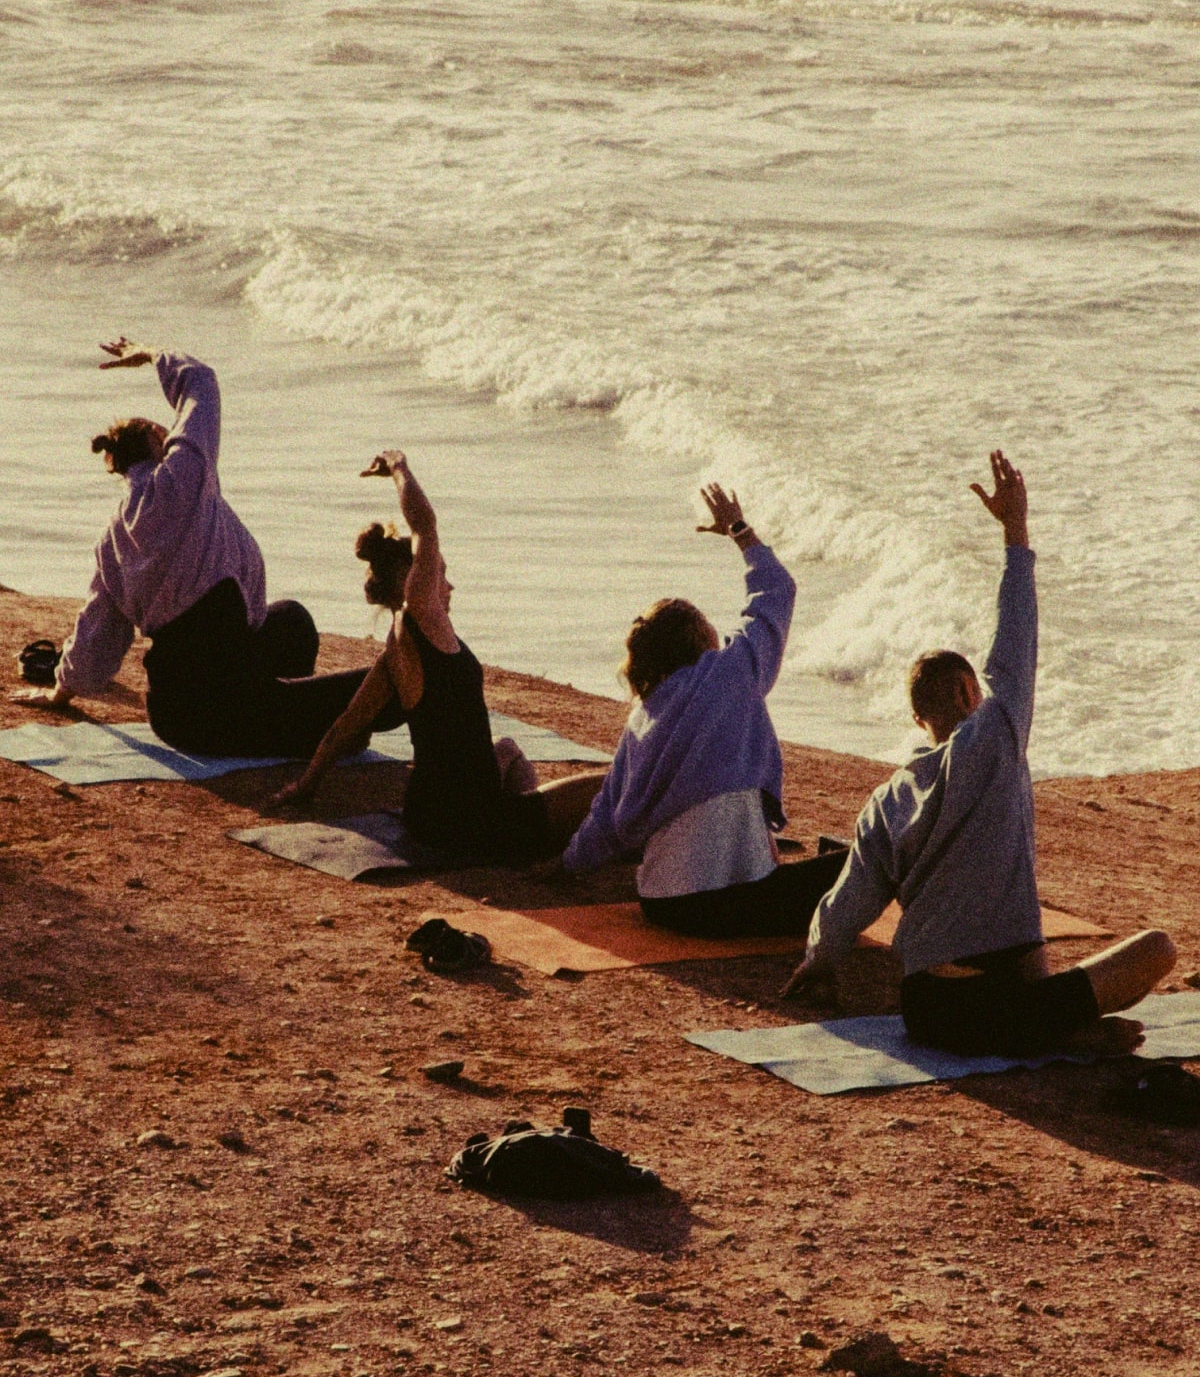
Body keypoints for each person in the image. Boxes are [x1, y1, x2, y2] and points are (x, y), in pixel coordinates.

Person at [784, 452, 1176, 1057]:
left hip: (930, 1015)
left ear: (918, 719)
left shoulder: (887, 797)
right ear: (973, 693)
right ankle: (1060, 1032)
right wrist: (1015, 534)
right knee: (1158, 950)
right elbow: (1015, 641)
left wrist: (820, 961)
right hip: (992, 1012)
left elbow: (849, 900)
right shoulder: (994, 735)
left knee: (1026, 948)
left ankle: (1054, 1026)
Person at [12, 338, 403, 758]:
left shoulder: (111, 539)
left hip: (178, 716)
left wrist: (61, 691)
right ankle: (303, 725)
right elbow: (201, 384)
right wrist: (153, 353)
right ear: (157, 438)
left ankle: (297, 720)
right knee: (399, 685)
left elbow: (96, 629)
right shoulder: (183, 475)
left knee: (290, 620)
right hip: (212, 713)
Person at [270, 453, 606, 862]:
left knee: (508, 750)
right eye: (441, 574)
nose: (450, 585)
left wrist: (304, 787)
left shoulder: (393, 654)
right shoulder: (423, 617)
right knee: (609, 785)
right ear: (414, 581)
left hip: (426, 816)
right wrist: (399, 468)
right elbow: (424, 525)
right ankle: (521, 837)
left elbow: (345, 725)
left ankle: (518, 833)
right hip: (468, 820)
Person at [555, 483, 847, 935]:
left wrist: (566, 867)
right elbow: (777, 590)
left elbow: (606, 815)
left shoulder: (641, 719)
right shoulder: (732, 670)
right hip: (731, 905)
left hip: (661, 904)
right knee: (875, 850)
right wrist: (739, 530)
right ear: (702, 639)